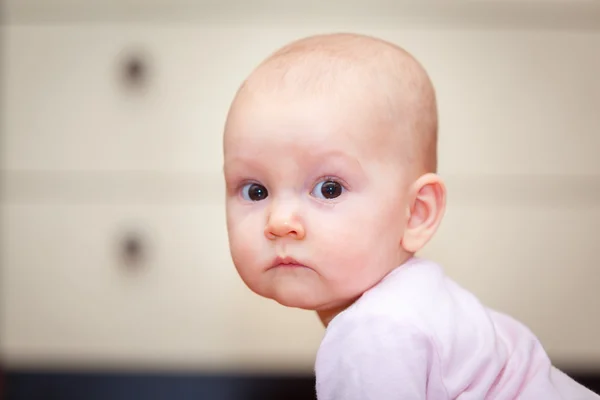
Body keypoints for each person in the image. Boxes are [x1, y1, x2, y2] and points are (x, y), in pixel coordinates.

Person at [222, 32, 598, 399]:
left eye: (329, 188)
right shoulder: (421, 299)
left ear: (417, 213)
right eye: (256, 190)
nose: (279, 221)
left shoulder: (373, 335)